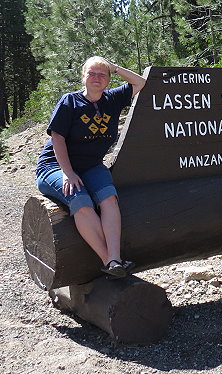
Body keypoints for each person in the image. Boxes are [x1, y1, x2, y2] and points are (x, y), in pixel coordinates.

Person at [35, 56, 146, 279]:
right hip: (55, 166)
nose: (96, 78)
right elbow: (57, 137)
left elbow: (140, 82)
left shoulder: (112, 99)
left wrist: (114, 67)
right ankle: (110, 261)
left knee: (109, 198)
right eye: (91, 73)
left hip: (91, 166)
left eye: (102, 74)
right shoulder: (70, 101)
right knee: (81, 200)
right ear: (83, 76)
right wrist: (67, 173)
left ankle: (115, 257)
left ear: (107, 80)